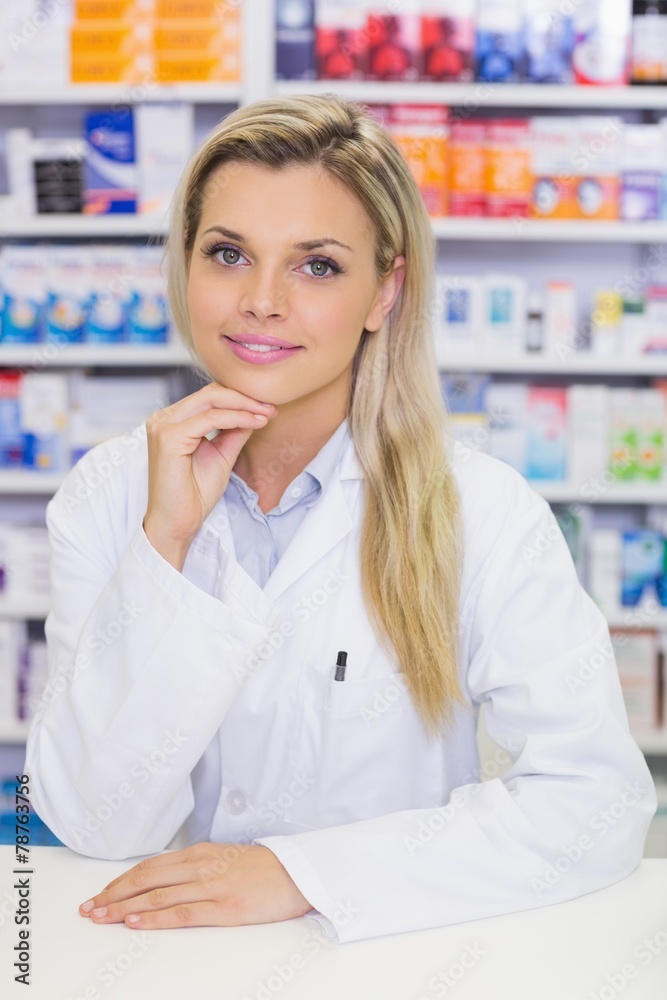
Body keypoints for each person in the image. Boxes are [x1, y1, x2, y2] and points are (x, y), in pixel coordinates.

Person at [25, 92, 656, 945]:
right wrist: (161, 546)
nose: (261, 301)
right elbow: (94, 824)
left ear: (382, 291)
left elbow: (596, 800)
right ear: (185, 265)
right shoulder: (109, 495)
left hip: (390, 956)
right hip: (167, 962)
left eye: (316, 265)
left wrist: (301, 872)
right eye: (227, 254)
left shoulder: (481, 511)